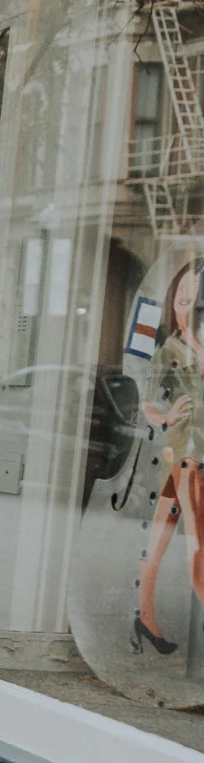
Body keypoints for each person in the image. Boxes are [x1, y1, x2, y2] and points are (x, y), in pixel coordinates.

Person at [139, 257, 204, 655]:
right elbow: (146, 401)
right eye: (181, 292)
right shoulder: (170, 348)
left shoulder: (199, 342)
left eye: (192, 294)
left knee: (159, 539)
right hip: (187, 454)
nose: (185, 299)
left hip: (193, 452)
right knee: (197, 542)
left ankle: (144, 618)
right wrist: (165, 417)